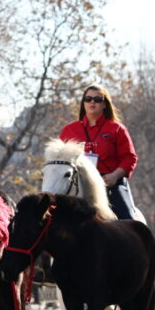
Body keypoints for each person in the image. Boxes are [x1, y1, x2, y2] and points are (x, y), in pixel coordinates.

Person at [59, 84, 139, 220]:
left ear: (104, 104)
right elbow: (60, 159)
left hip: (110, 184)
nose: (92, 102)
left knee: (128, 220)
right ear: (83, 103)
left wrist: (114, 176)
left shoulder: (117, 129)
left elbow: (130, 158)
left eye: (97, 99)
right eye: (88, 99)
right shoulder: (69, 130)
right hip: (78, 185)